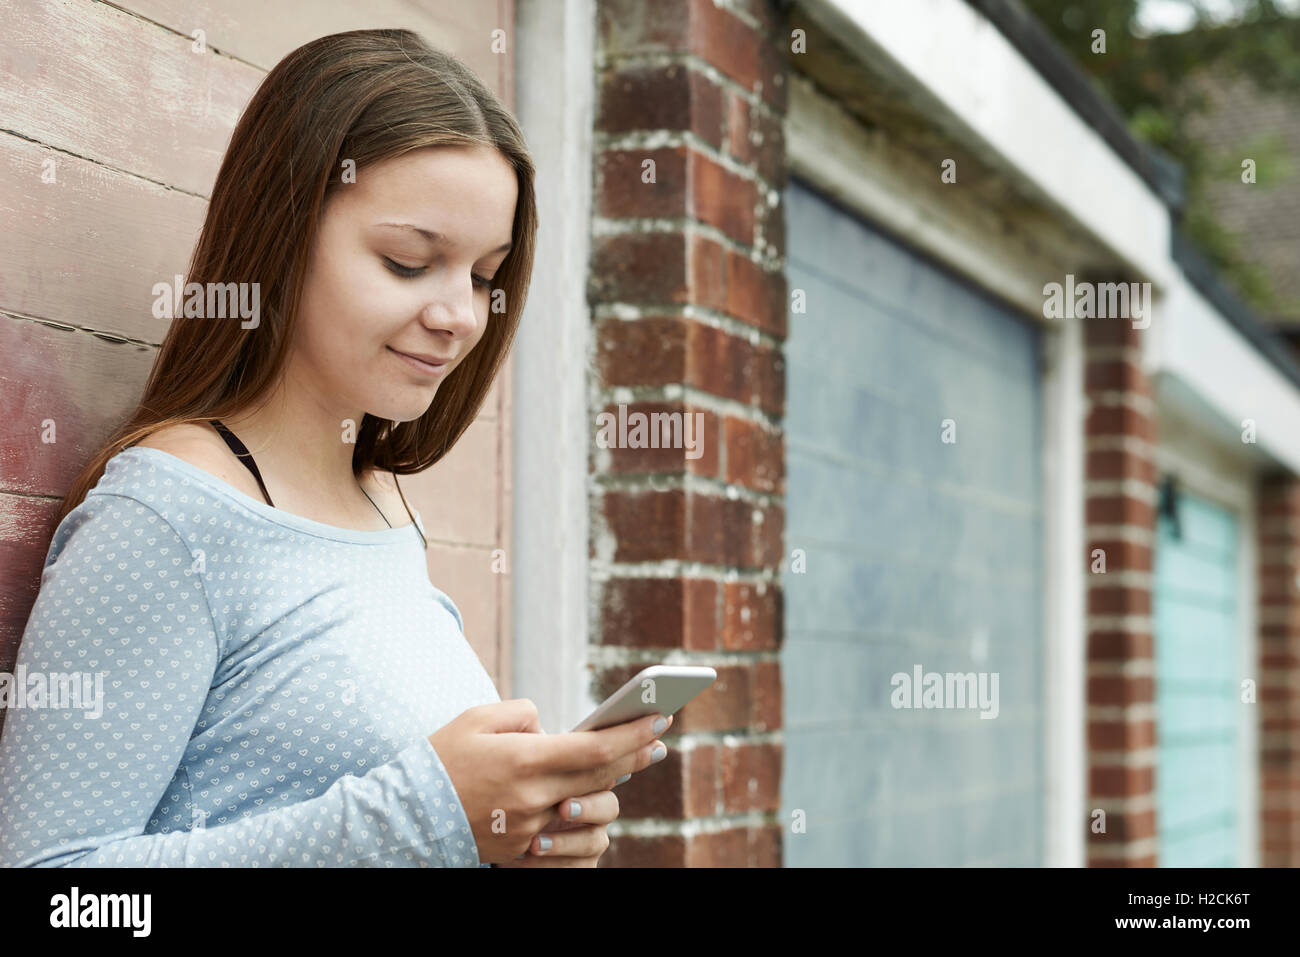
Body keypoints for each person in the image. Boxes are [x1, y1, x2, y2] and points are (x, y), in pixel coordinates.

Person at [0, 28, 669, 868]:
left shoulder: (383, 503)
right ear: (281, 235)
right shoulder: (166, 519)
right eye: (406, 261)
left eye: (483, 276)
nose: (460, 314)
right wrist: (426, 813)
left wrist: (507, 837)